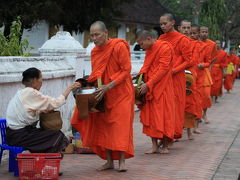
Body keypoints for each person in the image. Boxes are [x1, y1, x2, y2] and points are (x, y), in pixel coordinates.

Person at [71, 21, 134, 172]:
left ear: (106, 33)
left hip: (121, 93)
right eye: (91, 35)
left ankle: (122, 162)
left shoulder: (118, 46)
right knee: (103, 127)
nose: (94, 38)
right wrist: (84, 83)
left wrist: (109, 86)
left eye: (97, 34)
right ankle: (109, 161)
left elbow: (126, 70)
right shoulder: (94, 51)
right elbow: (96, 74)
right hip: (102, 94)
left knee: (120, 128)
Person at [6, 67, 81, 153]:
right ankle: (42, 161)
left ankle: (41, 159)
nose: (42, 81)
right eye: (41, 78)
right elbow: (55, 103)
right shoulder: (30, 92)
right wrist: (70, 88)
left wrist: (42, 111)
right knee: (57, 136)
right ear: (34, 80)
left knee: (53, 135)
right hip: (19, 137)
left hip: (14, 135)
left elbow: (30, 110)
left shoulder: (22, 92)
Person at [136, 30, 175, 154]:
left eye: (141, 44)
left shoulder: (165, 48)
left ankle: (165, 144)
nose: (141, 48)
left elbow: (163, 69)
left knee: (164, 115)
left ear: (148, 39)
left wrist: (149, 84)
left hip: (162, 86)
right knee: (151, 116)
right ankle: (154, 145)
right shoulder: (149, 50)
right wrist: (140, 79)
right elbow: (146, 66)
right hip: (150, 87)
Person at [159, 13, 192, 140]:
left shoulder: (182, 39)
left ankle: (171, 135)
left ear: (173, 23)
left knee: (175, 107)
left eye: (165, 23)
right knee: (163, 107)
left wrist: (174, 70)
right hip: (163, 78)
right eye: (161, 24)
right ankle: (163, 134)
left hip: (176, 77)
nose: (162, 26)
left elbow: (188, 60)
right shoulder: (161, 38)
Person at [178, 20, 199, 140]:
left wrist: (179, 66)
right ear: (180, 28)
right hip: (176, 75)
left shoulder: (194, 44)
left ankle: (189, 131)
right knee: (177, 104)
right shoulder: (176, 41)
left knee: (189, 104)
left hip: (189, 76)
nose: (186, 30)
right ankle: (176, 130)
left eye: (188, 28)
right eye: (184, 28)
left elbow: (193, 60)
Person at [199, 26, 217, 124]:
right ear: (199, 33)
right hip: (196, 71)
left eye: (206, 32)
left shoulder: (212, 44)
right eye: (202, 32)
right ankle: (196, 116)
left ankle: (204, 113)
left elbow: (214, 57)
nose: (204, 33)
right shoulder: (195, 43)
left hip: (205, 71)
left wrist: (209, 66)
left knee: (206, 95)